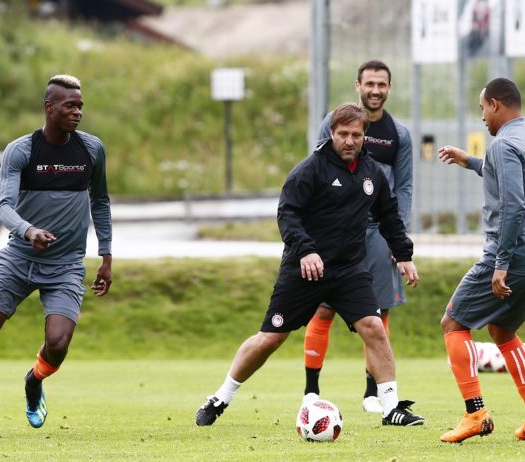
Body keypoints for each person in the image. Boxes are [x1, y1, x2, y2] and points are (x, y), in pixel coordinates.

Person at [195, 103, 423, 428]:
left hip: (348, 270)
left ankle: (390, 408)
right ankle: (220, 397)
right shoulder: (311, 169)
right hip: (305, 269)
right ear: (331, 133)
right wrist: (305, 251)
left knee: (373, 327)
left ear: (364, 137)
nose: (349, 140)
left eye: (355, 135)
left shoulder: (371, 173)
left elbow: (389, 216)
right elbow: (287, 214)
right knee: (270, 338)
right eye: (342, 134)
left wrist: (403, 255)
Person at [0, 75, 112, 429]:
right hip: (18, 259)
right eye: (70, 106)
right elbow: (4, 206)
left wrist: (106, 255)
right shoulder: (22, 151)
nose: (77, 112)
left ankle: (34, 381)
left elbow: (100, 201)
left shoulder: (92, 149)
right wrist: (28, 231)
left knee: (58, 344)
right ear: (49, 107)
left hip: (66, 266)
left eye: (80, 106)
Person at [303, 59, 413, 414]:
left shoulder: (399, 134)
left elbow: (404, 188)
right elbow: (316, 172)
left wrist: (398, 238)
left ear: (389, 88)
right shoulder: (334, 122)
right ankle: (311, 390)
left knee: (378, 312)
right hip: (338, 231)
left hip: (378, 232)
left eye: (381, 84)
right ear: (358, 85)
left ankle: (372, 394)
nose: (375, 90)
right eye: (370, 84)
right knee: (323, 307)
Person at [438, 77, 525, 443]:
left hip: (510, 253)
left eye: (482, 109)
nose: (482, 118)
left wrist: (501, 263)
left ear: (495, 104)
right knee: (502, 330)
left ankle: (475, 413)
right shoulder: (519, 139)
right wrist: (470, 161)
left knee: (453, 323)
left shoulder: (503, 144)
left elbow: (513, 205)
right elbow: (509, 178)